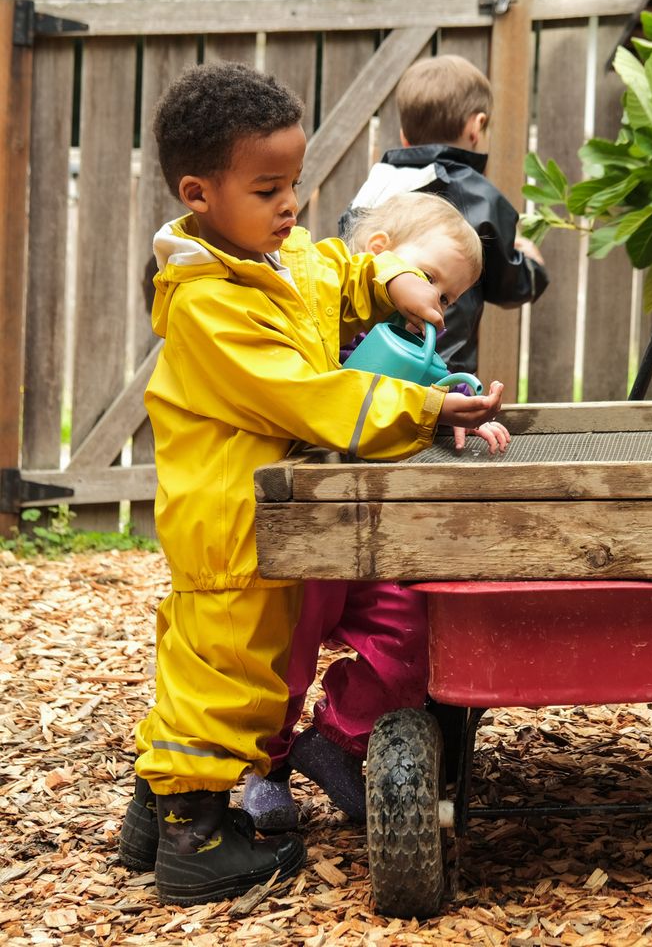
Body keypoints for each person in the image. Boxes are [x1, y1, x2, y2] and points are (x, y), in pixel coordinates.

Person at [116, 61, 507, 906]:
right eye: (268, 189)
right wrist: (427, 407)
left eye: (295, 183)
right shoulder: (210, 306)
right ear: (199, 194)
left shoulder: (273, 255)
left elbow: (330, 267)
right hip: (231, 514)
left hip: (261, 507)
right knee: (232, 672)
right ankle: (193, 838)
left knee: (205, 659)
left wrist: (387, 275)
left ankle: (153, 811)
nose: (290, 204)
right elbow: (312, 395)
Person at [240, 202, 512, 835]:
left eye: (451, 296)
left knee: (413, 631)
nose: (438, 303)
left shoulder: (413, 344)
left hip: (374, 545)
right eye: (432, 281)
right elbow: (308, 397)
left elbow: (440, 392)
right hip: (308, 541)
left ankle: (337, 739)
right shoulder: (317, 324)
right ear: (384, 254)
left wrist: (467, 411)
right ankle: (263, 770)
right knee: (282, 658)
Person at [340, 53, 549, 378]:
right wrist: (532, 268)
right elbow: (508, 283)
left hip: (363, 356)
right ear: (476, 126)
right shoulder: (475, 194)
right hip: (439, 364)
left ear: (404, 135)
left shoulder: (375, 185)